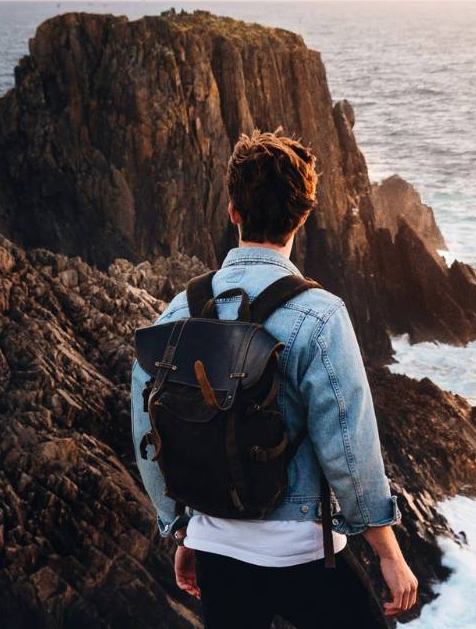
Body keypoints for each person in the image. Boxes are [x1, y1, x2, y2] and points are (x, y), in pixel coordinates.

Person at [130, 130, 418, 628]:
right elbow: (348, 448)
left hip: (216, 550)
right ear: (303, 215)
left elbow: (147, 433)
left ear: (233, 211)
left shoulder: (177, 313)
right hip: (302, 552)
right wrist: (388, 552)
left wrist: (181, 529)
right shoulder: (320, 316)